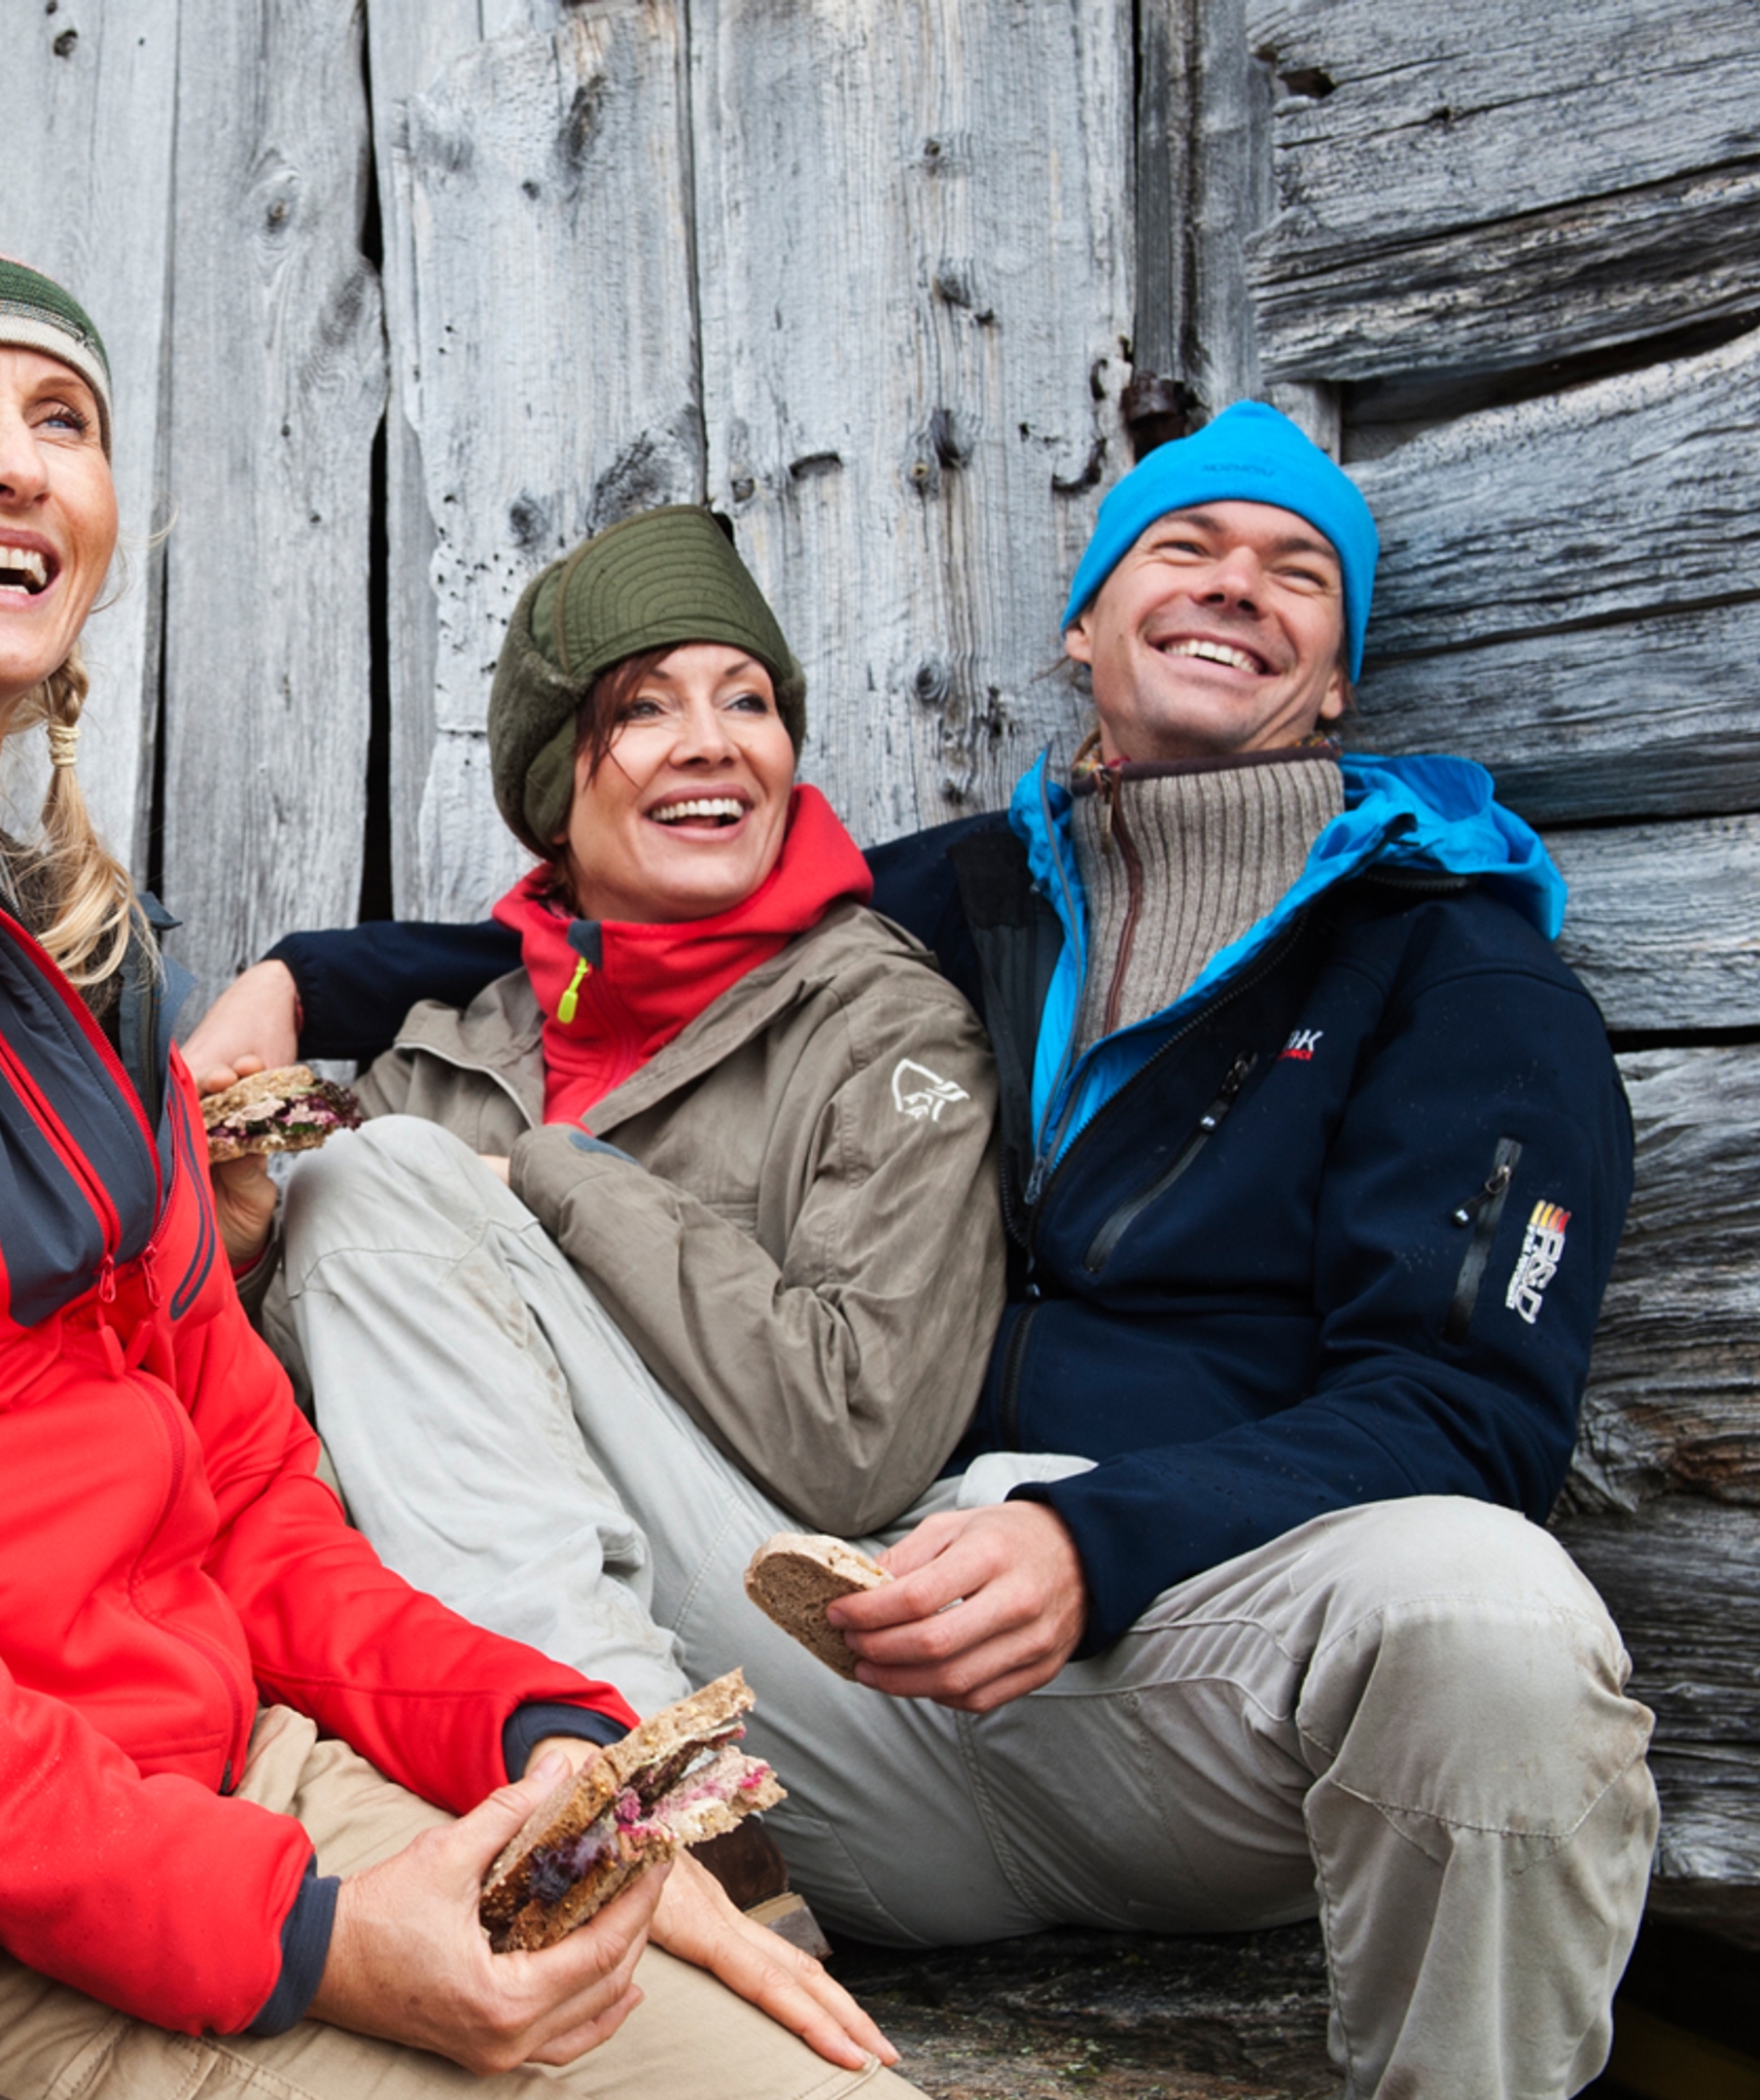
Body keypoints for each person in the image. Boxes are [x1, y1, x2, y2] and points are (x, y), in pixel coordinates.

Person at [0, 211, 910, 2100]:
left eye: (63, 417)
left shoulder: (66, 970)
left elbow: (252, 1500)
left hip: (224, 1773)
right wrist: (310, 1933)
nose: (18, 457)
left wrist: (540, 1739)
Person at [186, 403, 1650, 2099]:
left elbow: (1472, 1417)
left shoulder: (1462, 981)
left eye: (1298, 572)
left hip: (1194, 1678)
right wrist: (308, 977)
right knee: (384, 1188)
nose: (1238, 586)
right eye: (1184, 547)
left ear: (1336, 676)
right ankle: (665, 1865)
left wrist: (1095, 1541)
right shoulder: (970, 897)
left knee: (1499, 1619)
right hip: (853, 1669)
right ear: (1084, 627)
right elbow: (631, 907)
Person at [215, 505, 1002, 1734]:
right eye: (643, 709)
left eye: (748, 702)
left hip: (783, 1647)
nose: (712, 746)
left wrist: (548, 1179)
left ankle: (624, 1797)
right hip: (460, 1670)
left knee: (382, 1182)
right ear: (549, 790)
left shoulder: (889, 1030)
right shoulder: (446, 1056)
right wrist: (252, 1252)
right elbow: (288, 1456)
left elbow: (859, 1433)